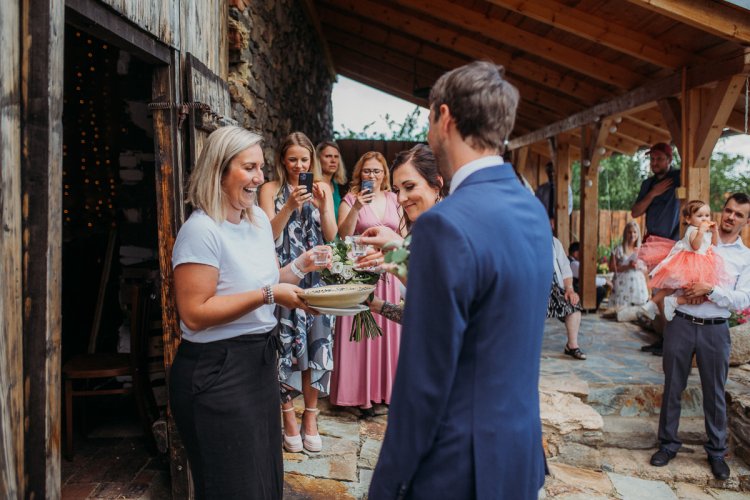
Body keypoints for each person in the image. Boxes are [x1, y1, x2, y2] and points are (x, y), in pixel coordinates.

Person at [369, 61, 550, 499]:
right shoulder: (533, 212)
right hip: (518, 457)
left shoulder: (443, 226)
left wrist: (386, 487)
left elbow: (421, 384)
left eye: (430, 117)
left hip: (458, 469)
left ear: (445, 118)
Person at [169, 126, 330, 499]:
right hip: (216, 372)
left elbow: (269, 279)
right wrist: (268, 294)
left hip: (258, 364)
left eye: (260, 168)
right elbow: (194, 313)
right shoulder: (201, 230)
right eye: (250, 168)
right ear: (220, 171)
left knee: (263, 480)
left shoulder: (258, 220)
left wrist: (302, 266)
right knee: (232, 485)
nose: (260, 177)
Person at [649, 193, 750, 481]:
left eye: (738, 214)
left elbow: (742, 300)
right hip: (682, 324)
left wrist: (710, 290)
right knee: (672, 387)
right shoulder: (695, 241)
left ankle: (717, 451)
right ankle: (667, 444)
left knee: (715, 393)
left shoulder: (745, 258)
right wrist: (684, 287)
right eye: (728, 210)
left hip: (716, 329)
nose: (730, 217)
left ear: (746, 221)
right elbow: (668, 275)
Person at [258, 131, 336, 453]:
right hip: (285, 275)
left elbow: (332, 237)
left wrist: (324, 206)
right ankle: (288, 414)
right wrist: (289, 205)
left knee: (317, 345)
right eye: (293, 159)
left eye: (304, 160)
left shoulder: (324, 188)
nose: (298, 165)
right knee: (284, 345)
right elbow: (267, 235)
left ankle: (311, 417)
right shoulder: (269, 190)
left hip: (317, 279)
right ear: (282, 160)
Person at [329, 151, 403, 416]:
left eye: (377, 171)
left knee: (388, 332)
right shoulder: (350, 199)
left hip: (390, 271)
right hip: (360, 272)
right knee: (360, 333)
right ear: (359, 173)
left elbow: (403, 234)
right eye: (367, 171)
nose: (372, 176)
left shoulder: (395, 199)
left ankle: (386, 393)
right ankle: (357, 396)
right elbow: (342, 235)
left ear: (385, 174)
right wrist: (358, 206)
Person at [359, 144, 448, 324]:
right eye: (397, 190)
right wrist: (375, 304)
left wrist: (399, 248)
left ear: (437, 184)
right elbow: (420, 313)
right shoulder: (420, 230)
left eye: (409, 186)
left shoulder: (450, 230)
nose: (400, 198)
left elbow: (445, 306)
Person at [639, 199, 727, 321]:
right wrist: (701, 231)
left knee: (696, 293)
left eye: (707, 215)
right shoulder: (693, 230)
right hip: (689, 263)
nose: (704, 219)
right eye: (699, 216)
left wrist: (715, 231)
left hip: (702, 264)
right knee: (685, 290)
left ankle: (662, 302)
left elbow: (715, 244)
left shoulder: (705, 231)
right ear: (688, 219)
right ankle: (666, 302)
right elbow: (695, 246)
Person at [631, 142, 681, 354]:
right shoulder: (648, 184)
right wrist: (653, 193)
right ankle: (663, 338)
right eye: (652, 159)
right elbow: (635, 212)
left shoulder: (679, 177)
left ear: (670, 160)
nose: (655, 163)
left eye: (660, 158)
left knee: (668, 295)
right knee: (658, 292)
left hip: (673, 243)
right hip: (653, 244)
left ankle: (671, 341)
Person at [549, 233, 586, 360]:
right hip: (529, 288)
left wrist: (570, 289)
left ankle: (572, 345)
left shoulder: (554, 242)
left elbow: (565, 268)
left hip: (553, 288)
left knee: (573, 304)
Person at [607, 221, 650, 320]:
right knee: (620, 310)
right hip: (622, 283)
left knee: (636, 310)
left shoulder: (641, 250)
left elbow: (646, 269)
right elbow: (611, 268)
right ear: (625, 233)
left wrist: (639, 267)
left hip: (638, 284)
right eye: (629, 232)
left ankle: (634, 316)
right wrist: (627, 266)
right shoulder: (618, 249)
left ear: (638, 234)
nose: (632, 235)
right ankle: (620, 315)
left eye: (635, 232)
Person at [568, 241, 610, 312]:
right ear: (576, 253)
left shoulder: (569, 261)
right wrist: (606, 281)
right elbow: (588, 279)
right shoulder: (574, 264)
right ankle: (589, 311)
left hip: (573, 289)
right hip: (574, 291)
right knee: (601, 290)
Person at [316, 140, 347, 221]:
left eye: (336, 156)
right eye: (328, 156)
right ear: (318, 159)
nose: (333, 160)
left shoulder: (334, 184)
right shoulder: (314, 185)